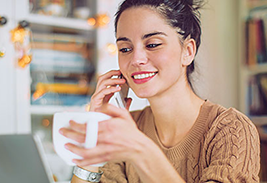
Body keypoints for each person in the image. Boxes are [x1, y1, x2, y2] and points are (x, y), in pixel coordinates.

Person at [60, 0, 261, 182]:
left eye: (153, 44)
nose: (136, 59)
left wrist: (141, 150)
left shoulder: (231, 130)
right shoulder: (128, 129)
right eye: (125, 49)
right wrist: (95, 134)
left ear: (188, 51)